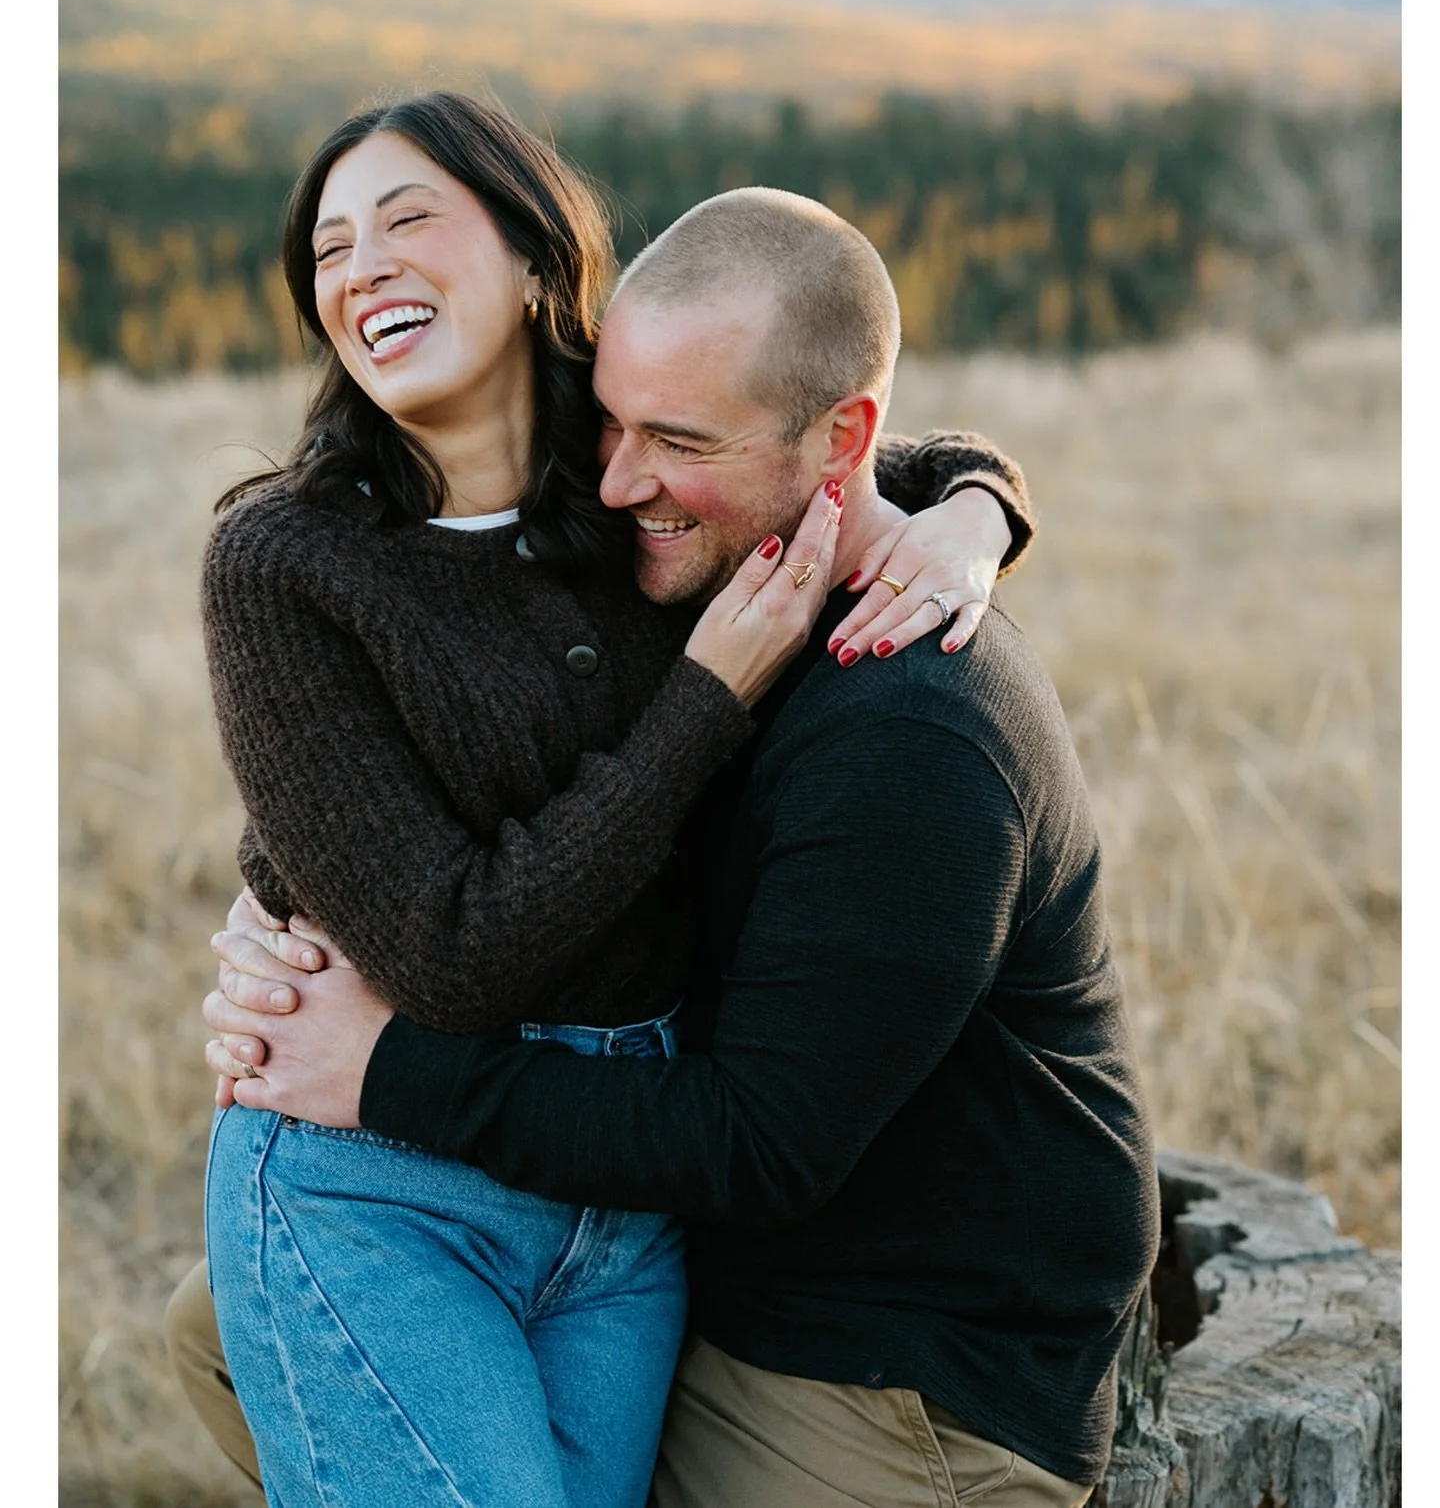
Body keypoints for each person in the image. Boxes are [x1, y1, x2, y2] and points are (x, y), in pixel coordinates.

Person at [196, 184, 1159, 1507]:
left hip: (903, 1379)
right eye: (610, 420)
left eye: (676, 439)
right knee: (236, 1319)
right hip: (733, 1280)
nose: (615, 478)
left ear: (841, 443)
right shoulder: (725, 576)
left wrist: (385, 1071)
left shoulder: (917, 727)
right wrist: (289, 902)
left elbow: (756, 1144)